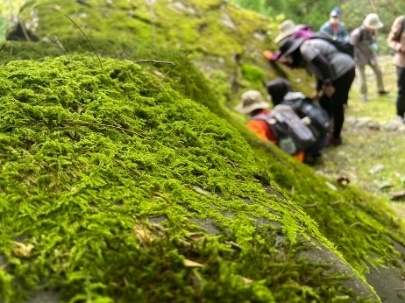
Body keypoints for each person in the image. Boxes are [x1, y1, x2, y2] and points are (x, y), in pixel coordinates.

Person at [277, 35, 356, 146]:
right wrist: (317, 90)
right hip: (337, 73)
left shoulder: (305, 49)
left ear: (292, 52)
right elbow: (319, 71)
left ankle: (336, 137)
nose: (289, 60)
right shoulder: (305, 53)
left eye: (289, 57)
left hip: (344, 70)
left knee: (336, 104)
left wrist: (328, 85)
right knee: (324, 103)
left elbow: (323, 65)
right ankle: (326, 129)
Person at [266, 78, 328, 163]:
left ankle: (308, 154)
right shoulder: (298, 96)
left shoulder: (280, 110)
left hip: (311, 144)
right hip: (324, 135)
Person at [235, 90, 305, 162]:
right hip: (298, 152)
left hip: (286, 159)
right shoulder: (275, 113)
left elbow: (263, 148)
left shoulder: (253, 125)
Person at [350, 13, 389, 102]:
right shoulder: (357, 33)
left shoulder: (373, 31)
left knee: (378, 71)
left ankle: (380, 90)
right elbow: (350, 46)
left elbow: (373, 41)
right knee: (362, 78)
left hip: (370, 56)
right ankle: (363, 96)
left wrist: (374, 46)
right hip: (359, 58)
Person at [387, 15, 405, 123]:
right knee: (403, 90)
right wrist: (400, 48)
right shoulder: (401, 21)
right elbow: (390, 39)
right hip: (402, 62)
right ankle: (400, 115)